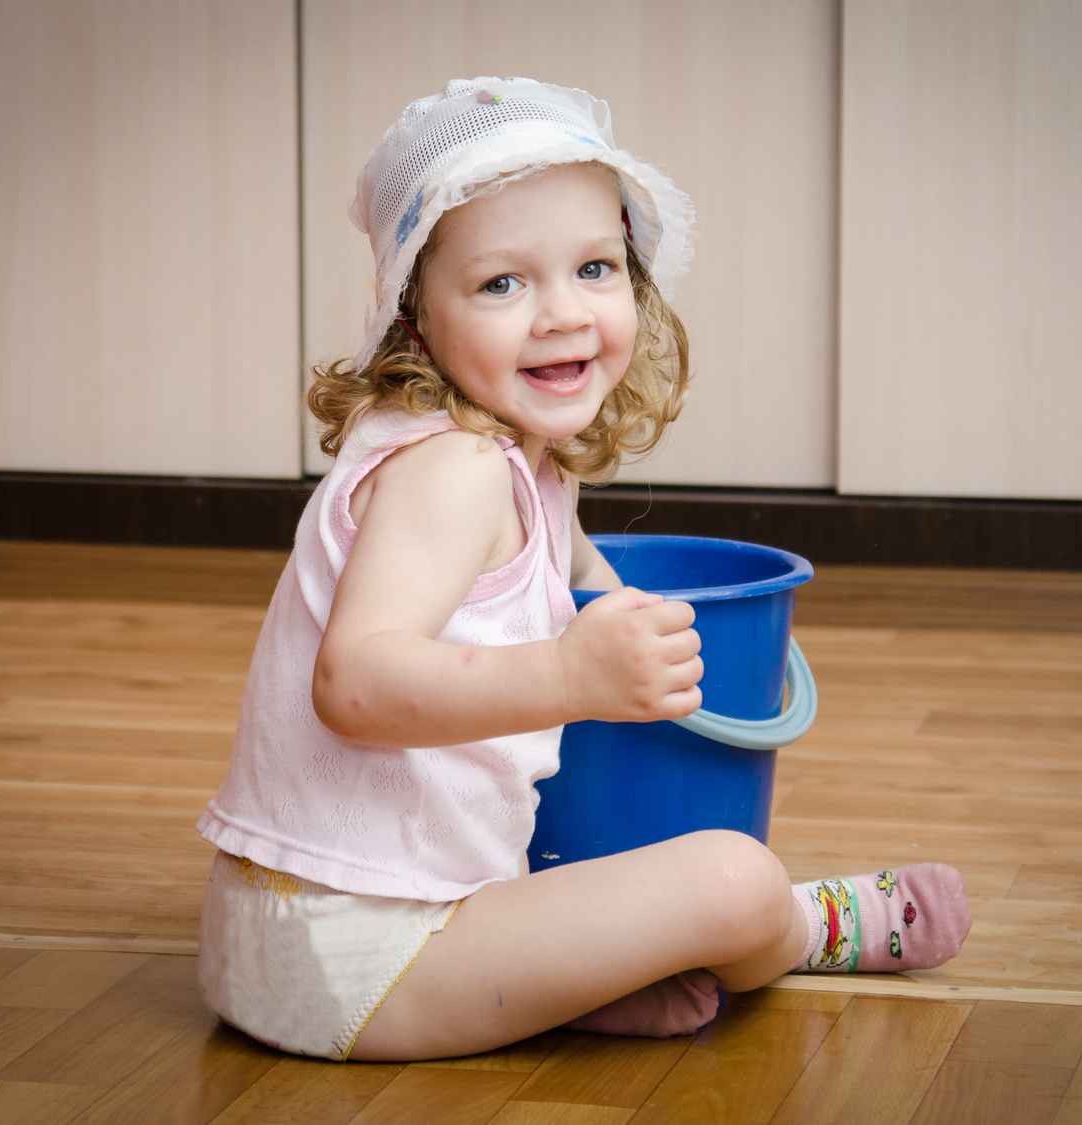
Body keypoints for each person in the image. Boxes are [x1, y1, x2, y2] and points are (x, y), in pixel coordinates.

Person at [195, 77, 971, 1063]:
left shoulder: (515, 456)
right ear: (414, 321)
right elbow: (354, 685)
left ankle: (566, 984)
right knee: (729, 876)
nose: (562, 313)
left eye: (595, 268)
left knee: (618, 848)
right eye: (502, 284)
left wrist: (647, 636)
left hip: (344, 934)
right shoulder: (454, 471)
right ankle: (798, 924)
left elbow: (589, 587)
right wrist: (574, 677)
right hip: (357, 955)